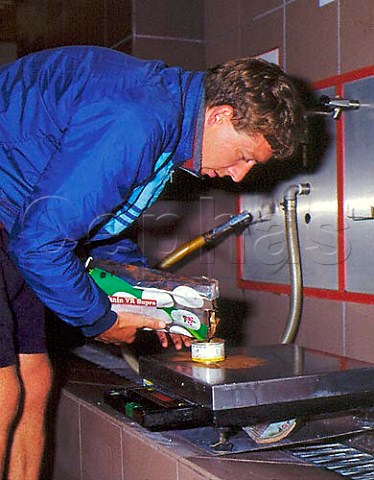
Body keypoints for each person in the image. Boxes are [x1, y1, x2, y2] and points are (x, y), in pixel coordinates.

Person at [0, 46, 304, 478]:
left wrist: (156, 297)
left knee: (35, 381)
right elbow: (40, 242)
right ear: (220, 115)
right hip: (16, 220)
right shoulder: (137, 118)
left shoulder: (166, 118)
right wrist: (102, 320)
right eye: (244, 155)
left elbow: (99, 226)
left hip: (17, 218)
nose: (240, 175)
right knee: (2, 390)